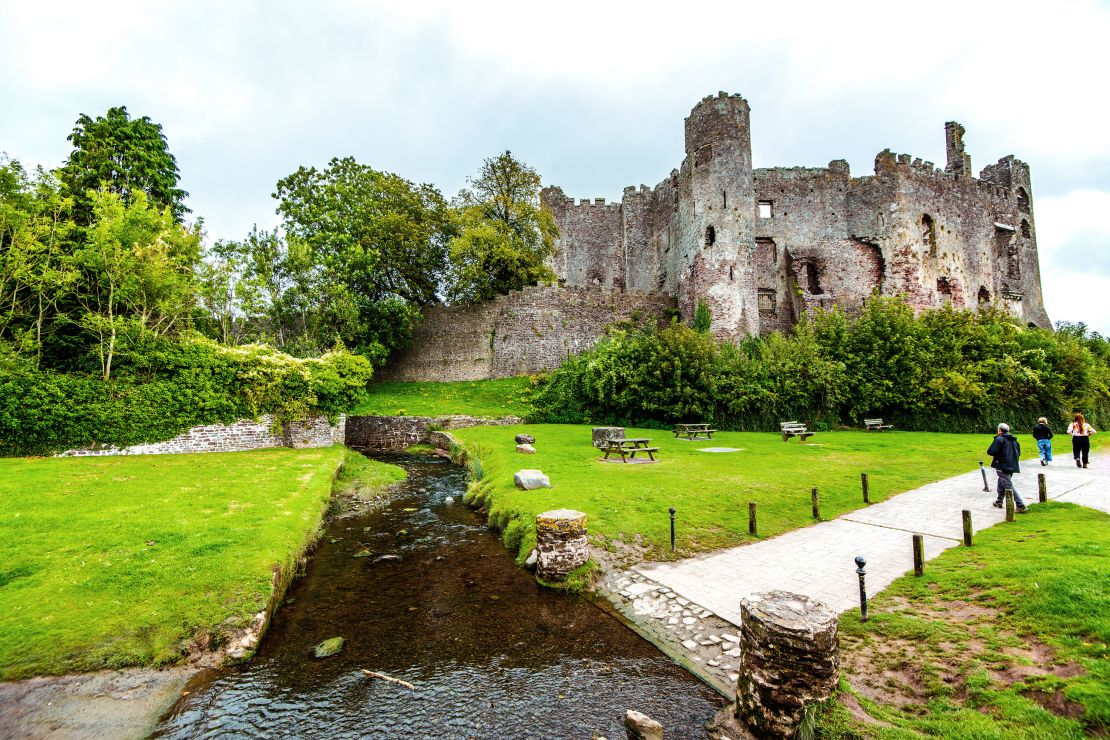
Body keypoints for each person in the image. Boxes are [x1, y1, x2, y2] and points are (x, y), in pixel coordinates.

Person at [987, 422, 1027, 513]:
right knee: (1002, 482)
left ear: (999, 430)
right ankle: (999, 501)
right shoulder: (1014, 440)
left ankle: (1020, 505)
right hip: (1012, 464)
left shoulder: (999, 439)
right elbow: (1019, 453)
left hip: (1002, 464)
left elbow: (991, 451)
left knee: (1008, 485)